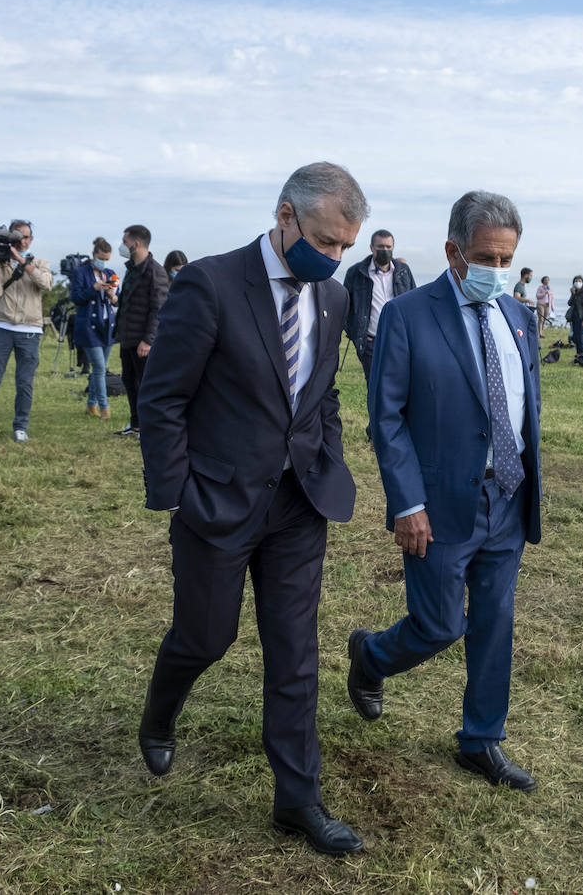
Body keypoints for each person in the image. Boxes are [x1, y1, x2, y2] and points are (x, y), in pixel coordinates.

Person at [136, 162, 366, 856]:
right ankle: (159, 715)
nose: (332, 260)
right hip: (218, 501)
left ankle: (298, 799)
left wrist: (329, 457)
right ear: (286, 216)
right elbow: (162, 398)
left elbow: (319, 391)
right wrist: (176, 492)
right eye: (325, 242)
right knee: (207, 637)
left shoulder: (333, 300)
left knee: (296, 653)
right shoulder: (210, 284)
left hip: (299, 503)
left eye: (344, 250)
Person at [348, 189, 543, 795]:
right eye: (487, 257)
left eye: (508, 259)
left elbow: (521, 405)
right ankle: (371, 657)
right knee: (438, 627)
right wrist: (407, 502)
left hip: (506, 497)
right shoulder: (408, 315)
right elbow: (388, 417)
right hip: (439, 505)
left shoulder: (518, 316)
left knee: (496, 620)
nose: (498, 270)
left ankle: (481, 739)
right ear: (453, 251)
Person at [0, 219, 52, 443]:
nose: (22, 241)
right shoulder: (0, 261)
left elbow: (46, 284)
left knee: (24, 382)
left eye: (26, 237)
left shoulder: (39, 262)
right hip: (1, 325)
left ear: (31, 240)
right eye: (17, 237)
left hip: (30, 328)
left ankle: (21, 425)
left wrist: (21, 261)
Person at [114, 225, 170, 437]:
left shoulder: (155, 271)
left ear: (136, 244)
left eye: (125, 242)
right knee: (129, 381)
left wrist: (148, 339)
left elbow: (159, 308)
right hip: (127, 337)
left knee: (145, 385)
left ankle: (149, 427)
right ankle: (135, 424)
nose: (122, 246)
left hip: (142, 342)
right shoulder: (131, 269)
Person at [342, 228, 416, 381]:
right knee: (375, 384)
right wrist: (355, 334)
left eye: (388, 247)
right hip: (371, 342)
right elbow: (345, 308)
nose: (385, 250)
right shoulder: (356, 273)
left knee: (401, 383)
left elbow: (413, 301)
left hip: (399, 339)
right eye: (380, 247)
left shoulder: (403, 271)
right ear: (371, 248)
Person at [69, 237, 119, 419]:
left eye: (106, 259)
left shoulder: (111, 273)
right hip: (88, 326)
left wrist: (113, 296)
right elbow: (76, 297)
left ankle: (91, 404)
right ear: (93, 255)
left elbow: (117, 298)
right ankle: (104, 407)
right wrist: (94, 288)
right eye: (101, 258)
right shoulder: (81, 272)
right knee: (99, 368)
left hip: (107, 326)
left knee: (101, 367)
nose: (103, 262)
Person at [566, 275, 583, 361]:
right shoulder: (575, 293)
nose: (578, 282)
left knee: (579, 336)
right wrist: (573, 294)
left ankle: (581, 352)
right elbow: (569, 303)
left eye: (579, 281)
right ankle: (578, 352)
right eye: (576, 281)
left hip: (581, 317)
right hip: (574, 317)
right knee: (575, 336)